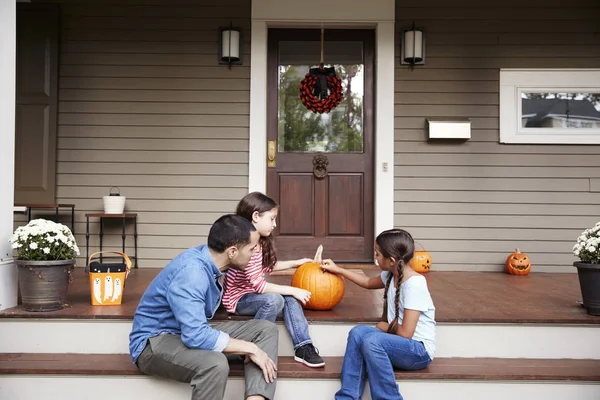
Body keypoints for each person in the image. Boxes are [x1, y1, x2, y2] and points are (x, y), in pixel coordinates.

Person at [129, 214, 279, 400]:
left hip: (186, 330)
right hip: (155, 342)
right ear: (232, 252)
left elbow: (195, 330)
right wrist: (251, 348)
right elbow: (195, 336)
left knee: (265, 329)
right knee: (215, 364)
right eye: (251, 249)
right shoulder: (192, 273)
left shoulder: (214, 260)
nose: (255, 253)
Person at [321, 228, 436, 400]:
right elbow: (367, 282)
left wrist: (384, 326)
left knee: (372, 341)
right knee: (358, 333)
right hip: (397, 343)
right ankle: (347, 396)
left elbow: (406, 334)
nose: (375, 257)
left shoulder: (414, 285)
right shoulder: (391, 275)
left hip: (418, 351)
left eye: (377, 254)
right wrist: (338, 270)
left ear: (391, 260)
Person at [222, 192, 325, 368]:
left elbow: (267, 267)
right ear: (256, 216)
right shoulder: (246, 244)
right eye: (272, 219)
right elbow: (260, 286)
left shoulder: (258, 241)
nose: (275, 224)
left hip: (253, 294)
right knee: (275, 299)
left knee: (289, 299)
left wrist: (296, 263)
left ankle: (303, 346)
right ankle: (253, 344)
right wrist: (293, 289)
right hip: (238, 299)